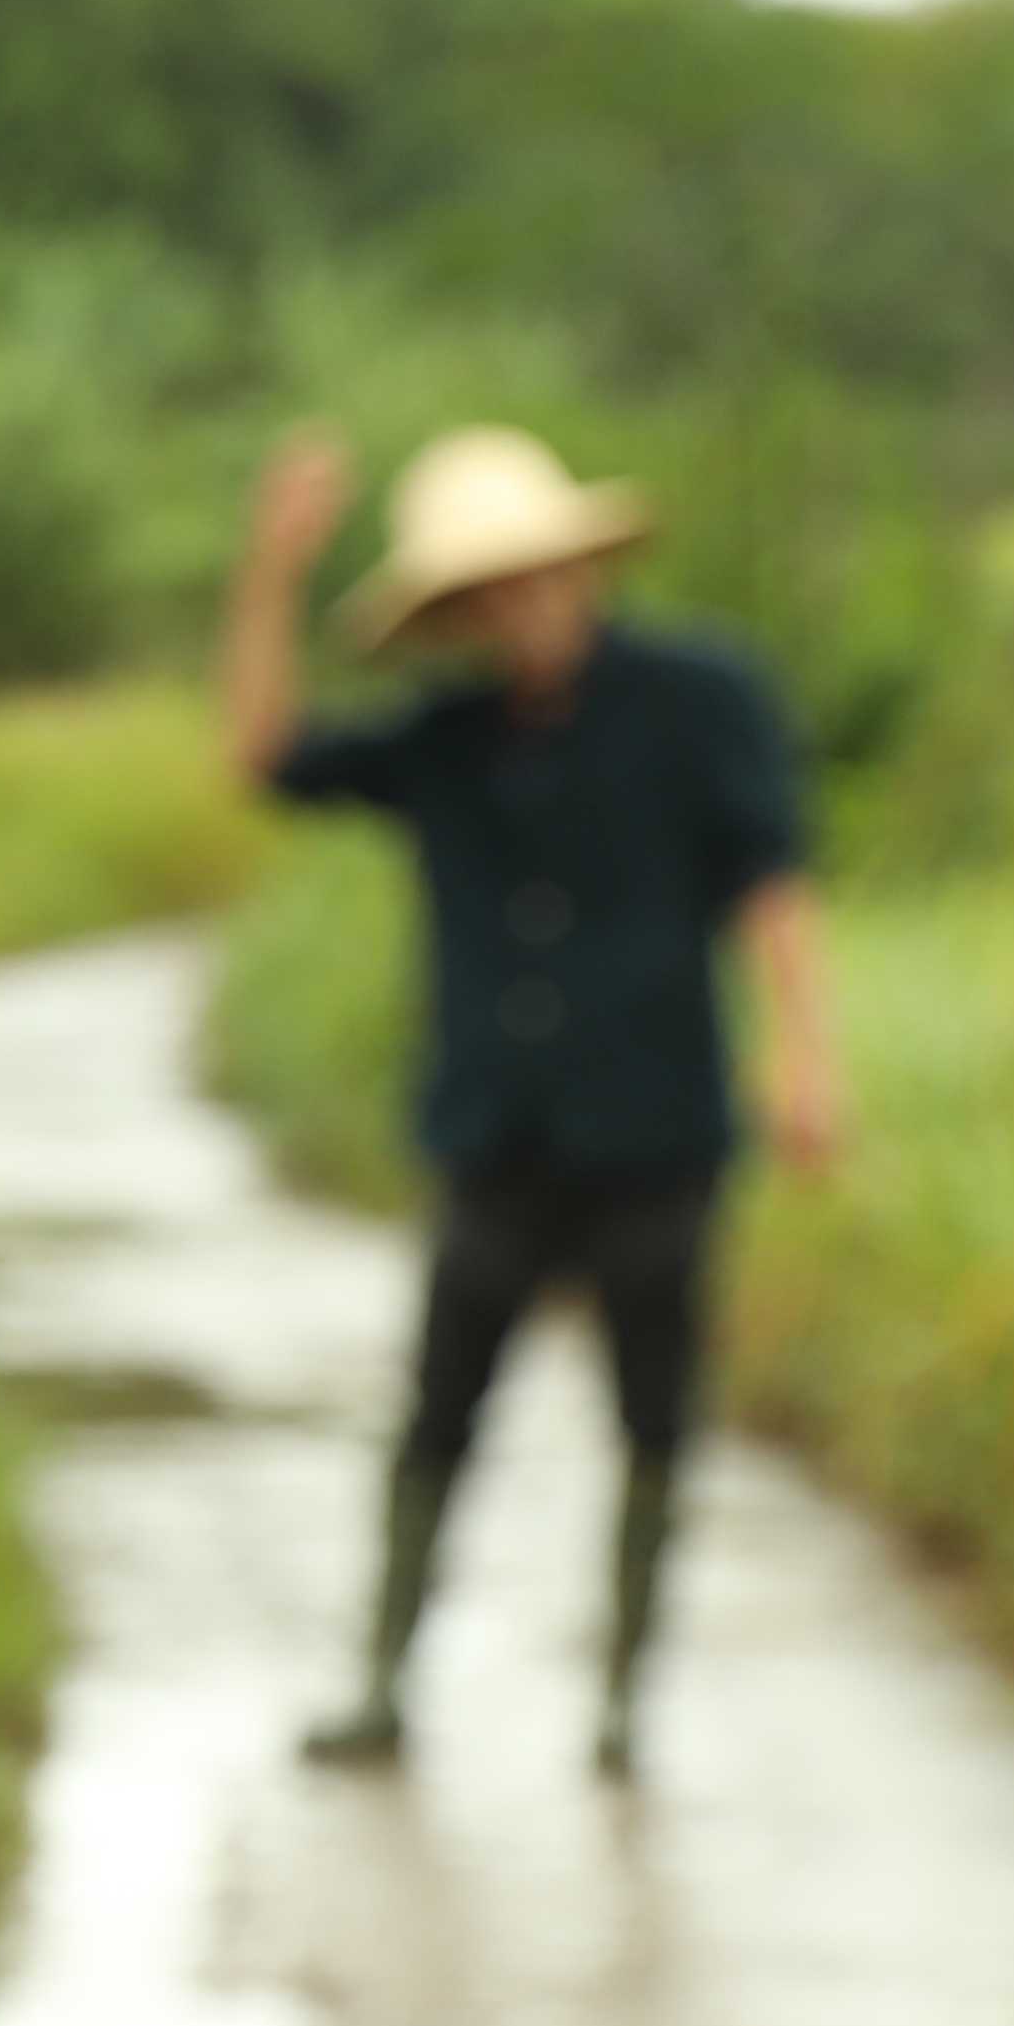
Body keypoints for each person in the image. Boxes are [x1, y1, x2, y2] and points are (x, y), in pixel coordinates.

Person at [223, 424, 844, 1778]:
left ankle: (624, 1704)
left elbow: (770, 881)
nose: (519, 605)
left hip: (658, 1122)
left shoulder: (699, 698)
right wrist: (271, 571)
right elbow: (266, 755)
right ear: (456, 611)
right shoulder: (444, 739)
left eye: (532, 575)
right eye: (484, 590)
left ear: (576, 567)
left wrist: (806, 1056)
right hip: (498, 1129)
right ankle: (385, 1683)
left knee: (654, 1411)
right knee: (441, 1406)